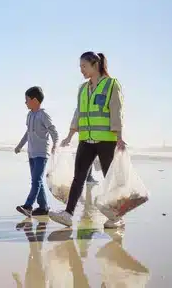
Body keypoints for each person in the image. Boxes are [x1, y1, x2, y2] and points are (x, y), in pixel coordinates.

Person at [49, 52, 126, 229]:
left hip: (106, 140)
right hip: (86, 140)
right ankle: (68, 214)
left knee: (109, 179)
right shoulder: (83, 89)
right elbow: (79, 113)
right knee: (79, 177)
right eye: (80, 67)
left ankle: (116, 217)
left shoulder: (111, 85)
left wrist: (120, 137)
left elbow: (117, 111)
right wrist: (70, 135)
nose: (81, 70)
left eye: (84, 66)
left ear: (95, 64)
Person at [14, 86, 59, 217]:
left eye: (26, 100)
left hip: (41, 153)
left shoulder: (43, 115)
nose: (25, 102)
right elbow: (28, 133)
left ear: (35, 100)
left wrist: (55, 144)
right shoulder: (29, 115)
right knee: (36, 180)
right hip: (32, 153)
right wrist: (19, 146)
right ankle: (43, 207)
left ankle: (28, 206)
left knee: (36, 180)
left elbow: (53, 131)